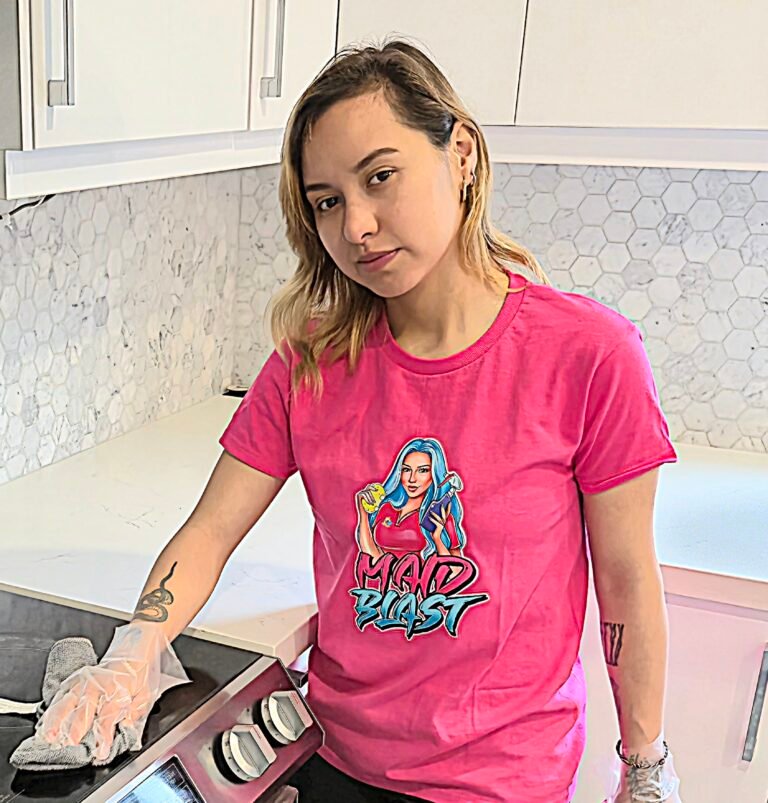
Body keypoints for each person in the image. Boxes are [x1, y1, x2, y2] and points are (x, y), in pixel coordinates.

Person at [36, 38, 684, 803]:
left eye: (381, 176)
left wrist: (643, 766)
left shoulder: (588, 354)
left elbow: (626, 580)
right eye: (328, 201)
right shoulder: (312, 362)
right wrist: (136, 649)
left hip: (503, 781)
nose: (358, 226)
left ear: (462, 153)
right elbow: (210, 530)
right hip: (334, 757)